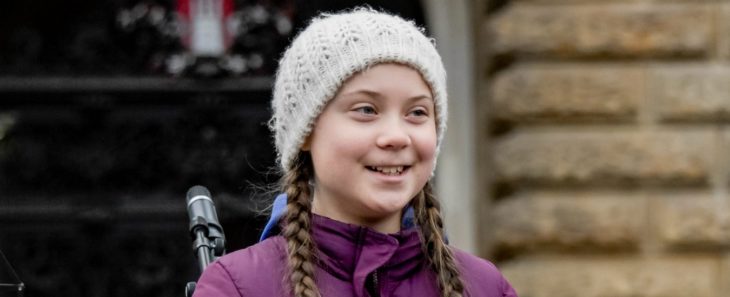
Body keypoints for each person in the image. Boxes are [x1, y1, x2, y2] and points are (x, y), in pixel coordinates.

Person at [192, 8, 518, 297]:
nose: (396, 136)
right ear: (306, 132)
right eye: (366, 109)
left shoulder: (487, 287)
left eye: (417, 112)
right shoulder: (238, 286)